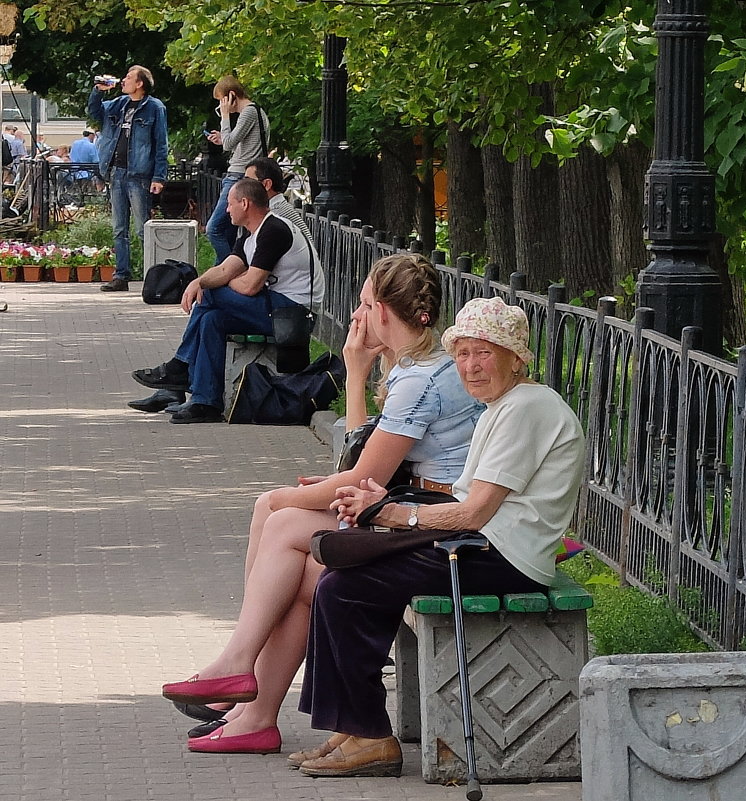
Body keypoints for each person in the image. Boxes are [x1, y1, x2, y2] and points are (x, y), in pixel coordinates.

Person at [160, 254, 484, 755]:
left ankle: (243, 682)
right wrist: (360, 376)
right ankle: (251, 706)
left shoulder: (420, 380)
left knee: (281, 516)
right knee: (295, 570)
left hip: (437, 520)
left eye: (363, 303)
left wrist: (354, 376)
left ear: (382, 313)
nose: (356, 315)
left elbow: (360, 473)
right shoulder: (417, 369)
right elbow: (364, 460)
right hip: (415, 506)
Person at [295, 298, 582, 777]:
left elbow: (473, 513)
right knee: (341, 580)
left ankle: (370, 737)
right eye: (463, 354)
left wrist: (393, 515)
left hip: (505, 557)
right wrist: (386, 501)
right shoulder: (504, 404)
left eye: (484, 353)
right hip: (487, 545)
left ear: (516, 357)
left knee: (345, 588)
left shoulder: (526, 408)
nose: (471, 366)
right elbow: (469, 497)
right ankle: (353, 728)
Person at [129, 178, 322, 423]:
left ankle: (180, 366)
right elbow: (224, 270)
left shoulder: (274, 229)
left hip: (293, 314)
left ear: (245, 203)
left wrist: (216, 284)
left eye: (230, 204)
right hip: (275, 308)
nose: (227, 209)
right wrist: (198, 282)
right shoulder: (251, 233)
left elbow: (250, 286)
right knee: (212, 318)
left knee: (212, 294)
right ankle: (205, 402)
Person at [88, 65, 169, 292]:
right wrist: (98, 90)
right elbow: (94, 113)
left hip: (139, 175)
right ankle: (121, 276)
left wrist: (159, 176)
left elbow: (161, 144)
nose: (124, 80)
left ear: (140, 83)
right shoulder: (118, 104)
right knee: (119, 228)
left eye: (129, 77)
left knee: (143, 228)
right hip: (116, 172)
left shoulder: (154, 108)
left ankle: (152, 278)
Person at [205, 76, 270, 262]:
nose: (221, 107)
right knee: (229, 232)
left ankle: (230, 269)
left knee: (214, 228)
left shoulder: (249, 112)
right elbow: (237, 143)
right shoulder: (254, 112)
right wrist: (223, 138)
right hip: (242, 172)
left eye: (221, 101)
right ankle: (224, 273)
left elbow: (229, 144)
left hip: (238, 175)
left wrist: (225, 118)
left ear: (231, 96)